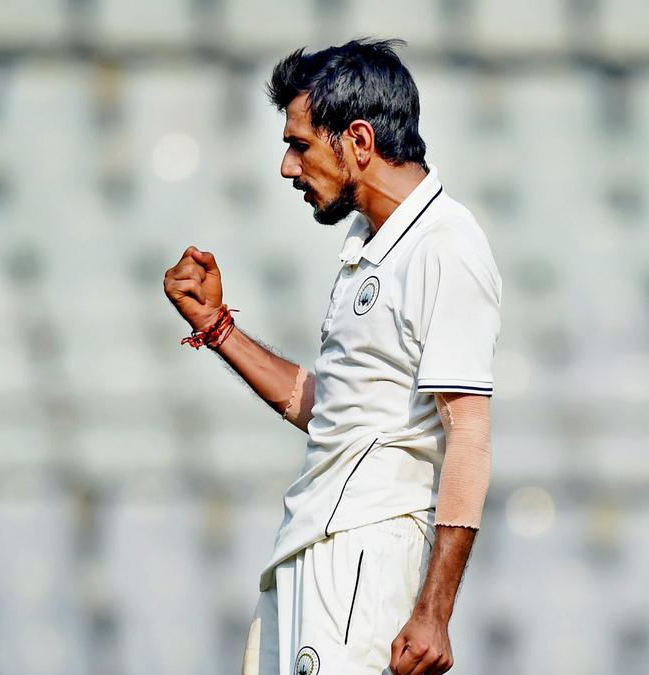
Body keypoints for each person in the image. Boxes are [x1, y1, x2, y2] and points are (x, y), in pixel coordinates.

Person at [164, 39, 500, 675]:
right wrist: (216, 327)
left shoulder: (446, 245)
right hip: (308, 543)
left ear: (359, 141)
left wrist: (434, 612)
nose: (287, 167)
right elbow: (336, 411)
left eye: (300, 145)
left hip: (365, 551)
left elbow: (469, 432)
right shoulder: (367, 244)